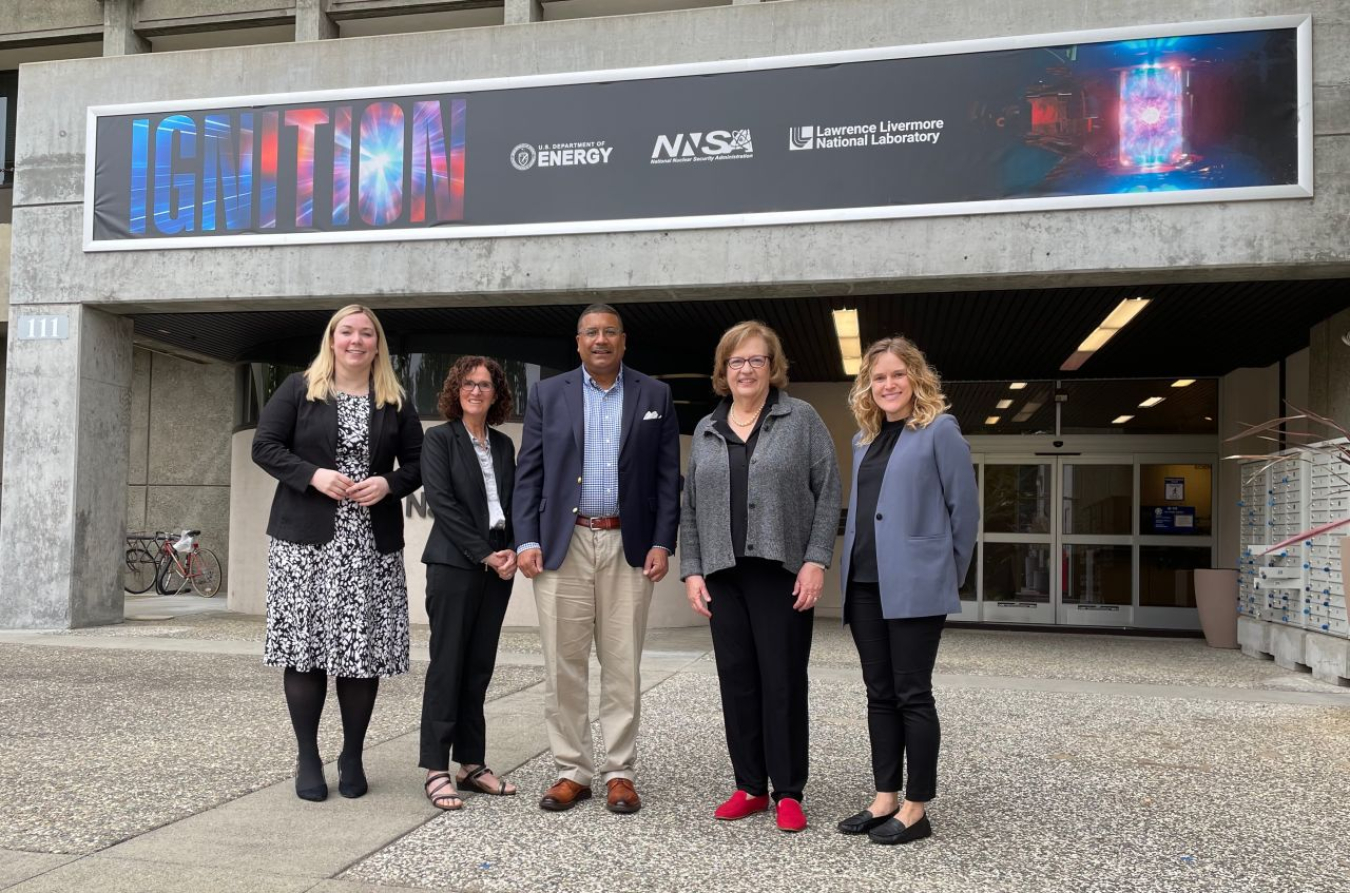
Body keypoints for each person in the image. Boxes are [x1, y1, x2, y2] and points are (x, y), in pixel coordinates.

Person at [513, 302, 680, 814]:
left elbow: (667, 477)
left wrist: (661, 541)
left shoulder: (655, 394)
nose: (601, 339)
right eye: (592, 332)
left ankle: (620, 772)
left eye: (610, 332)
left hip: (628, 548)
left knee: (622, 663)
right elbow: (530, 472)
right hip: (564, 546)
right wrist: (526, 540)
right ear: (579, 341)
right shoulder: (548, 394)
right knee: (563, 664)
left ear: (624, 341)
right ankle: (572, 771)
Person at [252, 304, 423, 802]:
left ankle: (352, 754)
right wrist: (312, 475)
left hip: (368, 545)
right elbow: (264, 445)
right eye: (346, 331)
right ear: (332, 339)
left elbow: (418, 463)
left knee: (358, 654)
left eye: (365, 333)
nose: (356, 340)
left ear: (377, 344)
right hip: (303, 544)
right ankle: (308, 757)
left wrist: (388, 484)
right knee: (303, 650)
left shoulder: (394, 398)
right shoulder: (299, 388)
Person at [681, 321, 841, 833]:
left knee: (783, 682)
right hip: (723, 576)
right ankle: (750, 785)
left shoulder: (802, 419)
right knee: (739, 684)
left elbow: (829, 491)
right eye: (736, 362)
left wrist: (816, 559)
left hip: (781, 574)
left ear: (773, 368)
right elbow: (689, 509)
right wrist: (691, 571)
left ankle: (788, 791)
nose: (746, 370)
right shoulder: (708, 429)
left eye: (756, 360)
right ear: (723, 371)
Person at [835, 336, 977, 845]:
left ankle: (917, 807)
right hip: (866, 583)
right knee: (880, 695)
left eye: (897, 374)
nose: (888, 384)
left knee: (913, 695)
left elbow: (965, 513)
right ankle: (884, 798)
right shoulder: (864, 438)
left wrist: (944, 575)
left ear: (916, 378)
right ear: (867, 387)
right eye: (878, 377)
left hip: (916, 586)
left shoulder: (940, 430)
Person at [418, 357, 519, 810]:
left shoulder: (502, 445)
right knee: (448, 665)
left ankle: (471, 763)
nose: (476, 391)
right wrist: (483, 552)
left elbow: (514, 502)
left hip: (498, 567)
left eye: (485, 385)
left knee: (478, 668)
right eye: (468, 384)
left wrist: (513, 548)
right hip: (456, 565)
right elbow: (443, 503)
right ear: (455, 391)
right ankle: (436, 768)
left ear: (496, 394)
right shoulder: (438, 440)